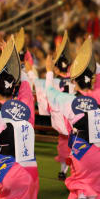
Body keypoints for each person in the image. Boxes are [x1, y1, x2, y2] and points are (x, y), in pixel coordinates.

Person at [45, 37, 100, 199]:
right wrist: (89, 56)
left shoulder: (70, 101)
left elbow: (49, 93)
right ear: (91, 77)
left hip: (82, 150)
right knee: (98, 189)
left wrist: (49, 70)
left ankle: (82, 196)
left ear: (74, 82)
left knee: (83, 184)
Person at [0, 38, 39, 199]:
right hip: (30, 169)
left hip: (6, 169)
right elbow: (25, 87)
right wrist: (16, 64)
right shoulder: (26, 106)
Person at [36, 31, 75, 180]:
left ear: (57, 69)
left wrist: (48, 72)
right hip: (73, 116)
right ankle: (71, 171)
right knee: (74, 144)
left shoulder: (54, 80)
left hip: (61, 115)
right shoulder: (74, 79)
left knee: (64, 144)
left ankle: (63, 170)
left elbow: (46, 92)